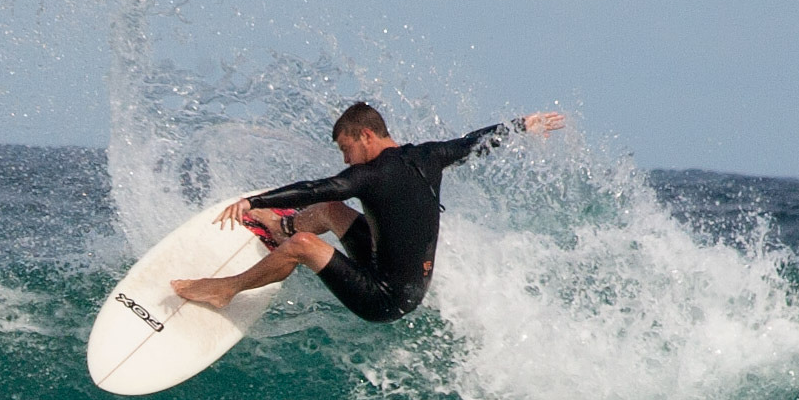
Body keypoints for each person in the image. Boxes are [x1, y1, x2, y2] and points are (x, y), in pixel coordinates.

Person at [171, 102, 565, 322]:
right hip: (405, 280)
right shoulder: (428, 155)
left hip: (386, 298)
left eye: (347, 149)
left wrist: (253, 202)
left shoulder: (371, 175)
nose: (346, 158)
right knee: (329, 210)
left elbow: (318, 186)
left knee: (305, 245)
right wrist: (519, 126)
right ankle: (280, 227)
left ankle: (226, 289)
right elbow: (472, 143)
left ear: (366, 135)